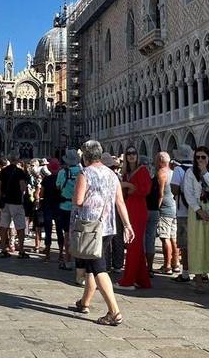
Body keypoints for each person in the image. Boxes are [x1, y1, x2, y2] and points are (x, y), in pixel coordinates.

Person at [68, 139, 135, 326]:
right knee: (92, 265)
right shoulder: (112, 174)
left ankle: (114, 312)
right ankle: (84, 302)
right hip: (108, 227)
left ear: (86, 156)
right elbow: (120, 202)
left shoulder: (85, 173)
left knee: (98, 268)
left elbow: (78, 200)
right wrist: (127, 225)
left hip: (89, 227)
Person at [184, 147, 209, 294]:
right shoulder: (190, 173)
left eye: (203, 157)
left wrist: (205, 172)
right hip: (197, 210)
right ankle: (199, 281)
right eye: (198, 157)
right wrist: (198, 210)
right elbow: (188, 193)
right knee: (197, 244)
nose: (200, 160)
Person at [117, 147, 152, 289]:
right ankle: (142, 280)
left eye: (134, 153)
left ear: (137, 155)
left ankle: (128, 280)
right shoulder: (126, 173)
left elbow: (146, 190)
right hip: (129, 208)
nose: (131, 156)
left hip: (138, 209)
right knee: (136, 246)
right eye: (129, 153)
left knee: (133, 244)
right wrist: (127, 186)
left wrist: (129, 186)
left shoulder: (142, 170)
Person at [0, 156, 30, 258]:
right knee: (20, 226)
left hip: (5, 201)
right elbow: (22, 187)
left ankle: (3, 249)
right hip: (16, 201)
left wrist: (0, 199)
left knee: (4, 225)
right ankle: (21, 250)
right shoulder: (20, 172)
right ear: (17, 160)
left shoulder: (2, 172)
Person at [55, 151, 83, 269]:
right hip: (80, 208)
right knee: (79, 234)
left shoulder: (62, 172)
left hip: (65, 207)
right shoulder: (83, 172)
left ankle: (68, 261)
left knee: (67, 235)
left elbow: (58, 187)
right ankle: (80, 262)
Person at [154, 151, 178, 274]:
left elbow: (161, 194)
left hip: (165, 209)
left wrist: (156, 208)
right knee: (173, 237)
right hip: (174, 208)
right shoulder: (173, 173)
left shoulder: (161, 173)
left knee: (165, 238)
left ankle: (167, 265)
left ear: (160, 161)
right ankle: (176, 264)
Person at [170, 147, 191, 281]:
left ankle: (185, 273)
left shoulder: (179, 169)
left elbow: (174, 189)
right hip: (197, 212)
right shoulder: (197, 169)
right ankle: (203, 273)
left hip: (183, 211)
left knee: (184, 244)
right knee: (197, 242)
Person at [39, 157, 64, 263]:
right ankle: (61, 254)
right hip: (59, 206)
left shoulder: (46, 179)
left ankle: (48, 254)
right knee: (59, 230)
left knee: (48, 230)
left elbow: (41, 194)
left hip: (48, 206)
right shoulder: (61, 179)